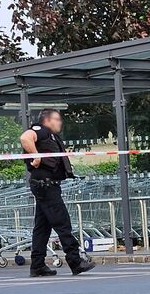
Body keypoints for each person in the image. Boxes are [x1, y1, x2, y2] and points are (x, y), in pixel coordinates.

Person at [20, 109, 96, 277]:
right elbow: (25, 137)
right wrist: (36, 155)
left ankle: (37, 265)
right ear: (47, 120)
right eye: (57, 119)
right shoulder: (41, 130)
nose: (60, 122)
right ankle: (75, 261)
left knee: (42, 228)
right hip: (46, 186)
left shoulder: (50, 136)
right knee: (63, 223)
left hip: (46, 185)